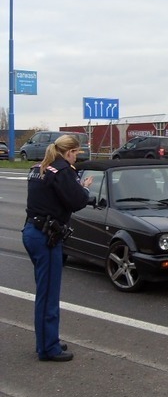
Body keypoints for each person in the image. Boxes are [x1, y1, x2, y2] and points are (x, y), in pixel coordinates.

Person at [23, 134, 94, 362]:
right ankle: (49, 348)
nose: (76, 157)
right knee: (49, 295)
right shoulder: (64, 171)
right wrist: (83, 188)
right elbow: (78, 201)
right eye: (76, 153)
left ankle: (45, 340)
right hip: (47, 237)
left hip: (32, 232)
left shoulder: (38, 168)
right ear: (69, 152)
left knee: (44, 292)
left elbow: (52, 197)